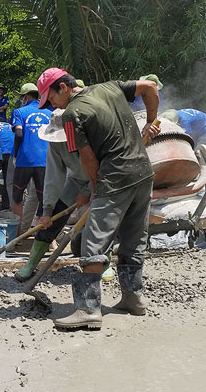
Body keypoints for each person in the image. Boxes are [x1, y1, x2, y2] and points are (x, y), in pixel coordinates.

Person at [37, 68, 160, 330]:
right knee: (134, 236)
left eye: (50, 99)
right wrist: (151, 121)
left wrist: (95, 187)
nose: (51, 107)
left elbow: (88, 158)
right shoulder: (109, 86)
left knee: (94, 241)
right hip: (143, 172)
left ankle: (88, 309)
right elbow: (150, 86)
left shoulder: (71, 115)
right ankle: (133, 298)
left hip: (114, 177)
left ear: (62, 87)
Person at [13, 110, 93, 282]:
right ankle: (31, 264)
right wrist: (47, 210)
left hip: (101, 180)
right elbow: (53, 177)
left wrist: (87, 193)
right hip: (77, 179)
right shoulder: (55, 146)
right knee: (53, 218)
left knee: (96, 220)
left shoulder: (89, 138)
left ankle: (102, 261)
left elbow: (101, 168)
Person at [10, 82, 52, 234]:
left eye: (22, 97)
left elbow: (19, 134)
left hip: (25, 159)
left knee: (17, 197)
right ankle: (49, 239)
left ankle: (17, 235)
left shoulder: (19, 112)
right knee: (45, 200)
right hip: (45, 160)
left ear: (26, 97)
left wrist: (15, 154)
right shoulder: (49, 113)